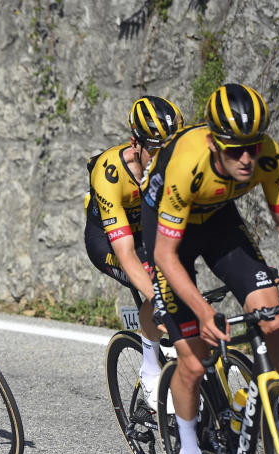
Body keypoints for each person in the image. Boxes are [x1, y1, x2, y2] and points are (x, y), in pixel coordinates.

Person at [140, 83, 279, 454]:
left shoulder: (266, 154)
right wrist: (205, 311)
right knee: (194, 361)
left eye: (251, 146)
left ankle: (267, 407)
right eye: (235, 150)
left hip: (218, 222)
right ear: (214, 143)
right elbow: (166, 257)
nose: (247, 158)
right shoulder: (187, 164)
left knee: (273, 321)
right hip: (167, 236)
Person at [85, 95, 184, 409]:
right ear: (135, 144)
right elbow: (126, 253)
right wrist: (159, 298)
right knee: (155, 286)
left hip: (148, 231)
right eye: (156, 148)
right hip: (110, 241)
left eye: (170, 147)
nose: (163, 157)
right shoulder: (109, 171)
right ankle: (150, 371)